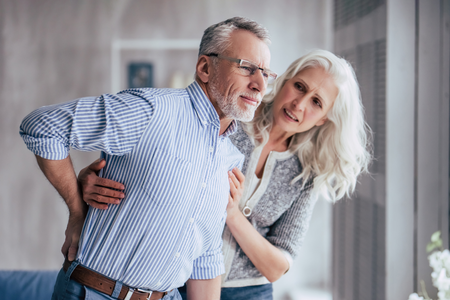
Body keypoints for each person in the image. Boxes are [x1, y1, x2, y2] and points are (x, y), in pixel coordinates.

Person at [79, 49, 372, 300]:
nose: (299, 104)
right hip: (175, 277)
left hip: (248, 292)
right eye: (299, 86)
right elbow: (155, 165)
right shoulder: (230, 117)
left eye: (316, 102)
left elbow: (277, 267)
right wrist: (87, 182)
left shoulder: (307, 174)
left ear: (324, 119)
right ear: (284, 80)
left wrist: (232, 214)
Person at [19, 17, 278, 300]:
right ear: (205, 68)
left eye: (265, 74)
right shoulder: (151, 111)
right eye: (247, 68)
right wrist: (77, 210)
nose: (259, 84)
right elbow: (43, 127)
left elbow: (204, 253)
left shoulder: (229, 155)